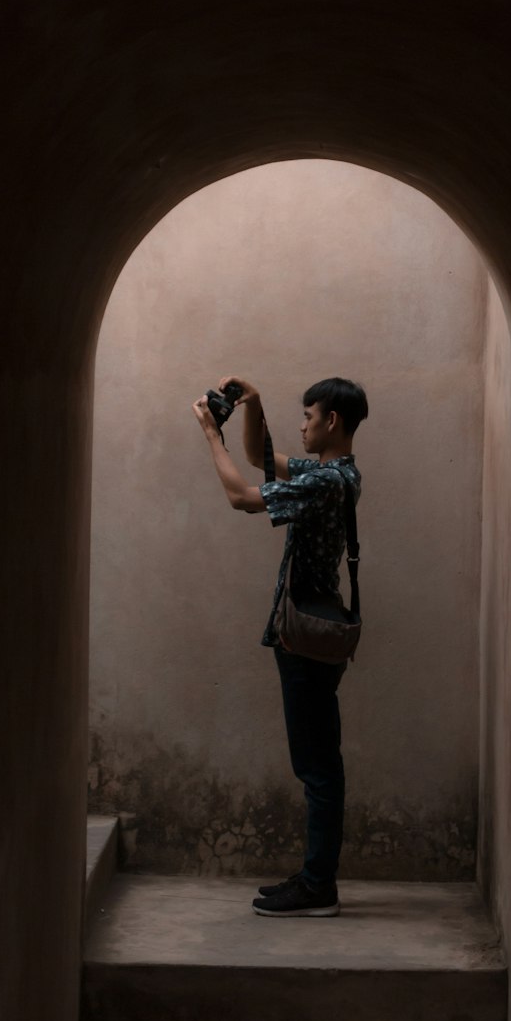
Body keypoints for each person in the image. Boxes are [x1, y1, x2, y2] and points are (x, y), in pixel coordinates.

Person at [191, 375, 367, 917]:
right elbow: (260, 456)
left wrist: (209, 438)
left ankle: (318, 887)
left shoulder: (327, 482)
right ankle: (316, 877)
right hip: (307, 632)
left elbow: (243, 497)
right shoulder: (337, 474)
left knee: (317, 768)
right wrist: (254, 404)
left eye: (308, 417)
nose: (303, 425)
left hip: (304, 640)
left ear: (330, 421)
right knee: (318, 763)